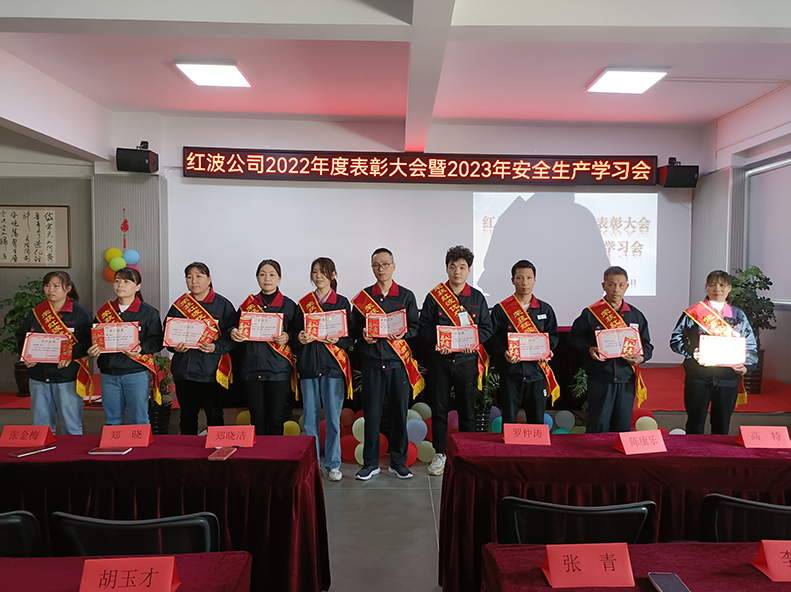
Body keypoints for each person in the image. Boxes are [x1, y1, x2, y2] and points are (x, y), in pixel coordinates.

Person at [419, 245, 492, 476]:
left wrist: (474, 341)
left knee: (467, 410)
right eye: (453, 267)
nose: (457, 272)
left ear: (469, 270)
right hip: (440, 361)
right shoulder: (435, 296)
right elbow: (423, 328)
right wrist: (437, 341)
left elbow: (487, 328)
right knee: (439, 409)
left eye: (462, 267)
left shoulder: (477, 297)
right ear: (447, 269)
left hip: (466, 361)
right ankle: (440, 453)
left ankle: (468, 453)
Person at [351, 248, 422, 480]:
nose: (381, 269)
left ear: (393, 266)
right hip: (372, 364)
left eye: (385, 264)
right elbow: (353, 328)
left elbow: (415, 327)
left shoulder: (406, 295)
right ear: (372, 268)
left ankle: (398, 463)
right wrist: (363, 333)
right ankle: (370, 463)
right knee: (371, 416)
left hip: (397, 364)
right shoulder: (364, 297)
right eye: (376, 265)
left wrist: (404, 334)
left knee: (399, 415)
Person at [670, 270, 758, 435]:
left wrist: (746, 367)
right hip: (698, 377)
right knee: (695, 424)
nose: (717, 289)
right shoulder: (693, 313)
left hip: (727, 378)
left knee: (722, 426)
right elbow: (675, 340)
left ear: (729, 288)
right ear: (706, 288)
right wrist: (691, 351)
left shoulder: (738, 315)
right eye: (712, 285)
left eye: (722, 285)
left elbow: (750, 344)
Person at [568, 266, 653, 433]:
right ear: (604, 285)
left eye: (621, 285)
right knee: (597, 426)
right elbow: (573, 338)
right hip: (600, 378)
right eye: (612, 284)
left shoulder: (636, 315)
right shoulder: (591, 314)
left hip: (626, 379)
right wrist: (589, 349)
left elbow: (647, 346)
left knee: (622, 427)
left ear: (627, 286)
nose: (616, 289)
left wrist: (641, 357)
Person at [295, 257, 354, 482]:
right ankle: (312, 465)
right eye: (315, 272)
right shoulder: (303, 304)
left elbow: (350, 338)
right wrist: (300, 338)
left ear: (333, 274)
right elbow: (293, 336)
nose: (318, 276)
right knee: (309, 420)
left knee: (332, 420)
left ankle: (333, 464)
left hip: (333, 368)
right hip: (309, 368)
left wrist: (338, 340)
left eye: (323, 271)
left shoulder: (342, 302)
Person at [15, 271, 92, 435]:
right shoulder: (37, 312)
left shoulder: (80, 313)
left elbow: (89, 341)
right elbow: (22, 336)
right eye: (47, 285)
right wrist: (26, 355)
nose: (50, 290)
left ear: (68, 288)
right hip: (38, 376)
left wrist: (70, 354)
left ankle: (71, 452)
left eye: (56, 286)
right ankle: (44, 452)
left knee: (71, 426)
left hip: (67, 376)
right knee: (41, 426)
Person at [165, 262, 236, 435]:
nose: (194, 281)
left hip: (211, 371)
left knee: (214, 415)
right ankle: (187, 450)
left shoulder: (223, 305)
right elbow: (166, 335)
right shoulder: (179, 306)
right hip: (184, 371)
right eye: (189, 277)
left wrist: (215, 346)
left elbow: (232, 337)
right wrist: (175, 347)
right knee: (187, 417)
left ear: (209, 279)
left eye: (199, 276)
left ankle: (217, 449)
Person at [487, 260, 560, 425]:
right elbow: (492, 338)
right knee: (509, 420)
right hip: (511, 373)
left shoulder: (545, 309)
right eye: (520, 278)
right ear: (512, 280)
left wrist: (548, 349)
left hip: (536, 373)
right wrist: (504, 351)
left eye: (529, 278)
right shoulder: (501, 309)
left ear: (535, 280)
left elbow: (554, 336)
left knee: (537, 421)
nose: (525, 282)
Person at [230, 259, 298, 436]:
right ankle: (259, 453)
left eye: (272, 274)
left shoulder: (289, 305)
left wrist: (288, 336)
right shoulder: (247, 305)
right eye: (262, 274)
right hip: (252, 368)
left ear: (279, 278)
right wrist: (233, 332)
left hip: (278, 370)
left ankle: (275, 453)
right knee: (257, 419)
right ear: (257, 277)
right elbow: (233, 326)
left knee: (276, 418)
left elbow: (298, 332)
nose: (267, 278)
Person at [88, 267, 163, 425]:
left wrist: (141, 349)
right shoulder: (104, 312)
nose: (120, 285)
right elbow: (94, 340)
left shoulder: (149, 313)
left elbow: (157, 341)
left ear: (138, 287)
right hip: (108, 374)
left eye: (126, 282)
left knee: (139, 419)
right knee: (112, 420)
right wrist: (93, 349)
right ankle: (115, 442)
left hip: (136, 373)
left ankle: (140, 443)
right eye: (117, 281)